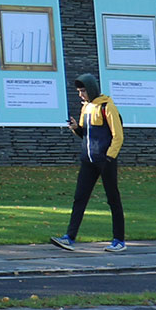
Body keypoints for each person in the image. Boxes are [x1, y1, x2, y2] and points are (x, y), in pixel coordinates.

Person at [51, 72, 126, 252]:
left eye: (83, 90)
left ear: (91, 89)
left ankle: (119, 240)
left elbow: (118, 135)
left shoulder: (107, 106)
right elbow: (85, 134)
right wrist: (76, 128)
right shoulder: (86, 107)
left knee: (113, 199)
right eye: (78, 91)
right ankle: (69, 237)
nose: (80, 95)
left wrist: (109, 157)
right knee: (79, 198)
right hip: (88, 161)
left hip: (105, 161)